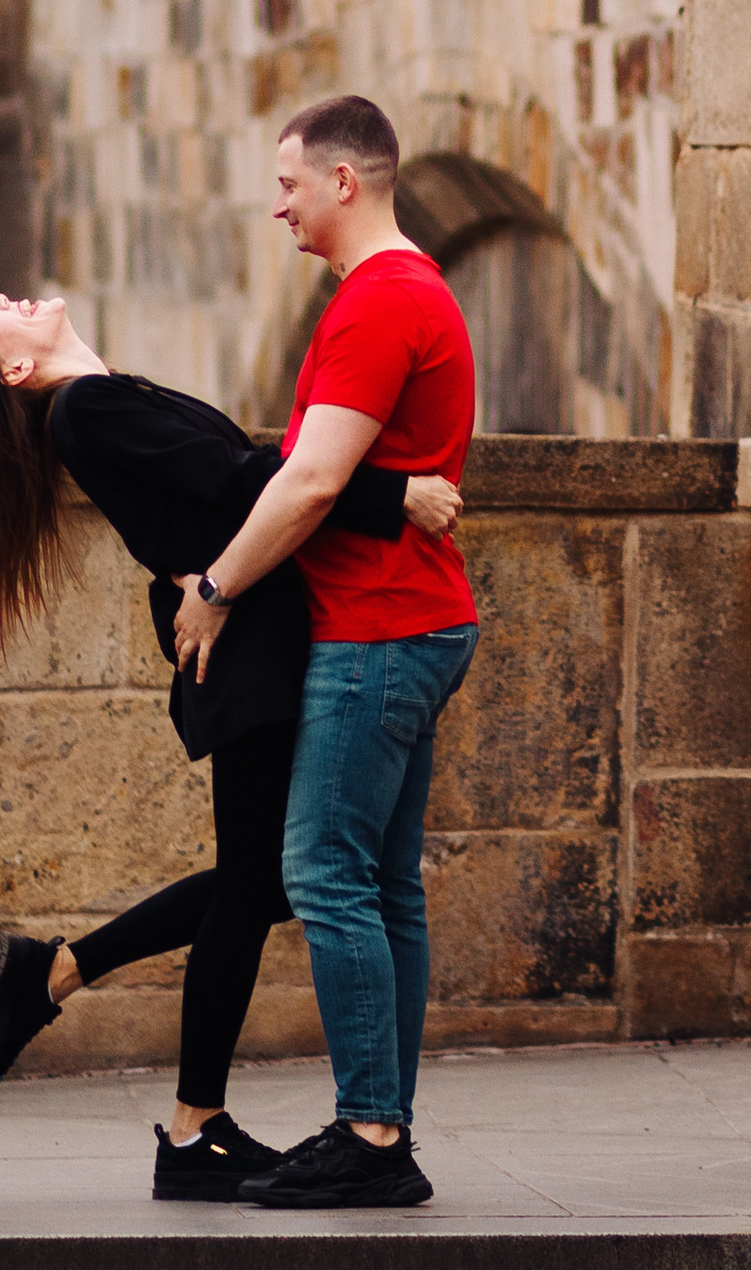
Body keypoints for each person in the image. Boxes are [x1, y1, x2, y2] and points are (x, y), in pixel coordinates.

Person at [0, 292, 463, 1201]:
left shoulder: (102, 398)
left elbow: (239, 475)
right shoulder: (86, 410)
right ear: (11, 370)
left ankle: (136, 1063)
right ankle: (150, 1079)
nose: (1, 303)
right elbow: (249, 477)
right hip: (248, 655)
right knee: (267, 882)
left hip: (253, 643)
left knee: (263, 882)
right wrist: (389, 495)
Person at [169, 96, 480, 1212]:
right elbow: (337, 477)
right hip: (416, 619)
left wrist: (212, 588)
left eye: (291, 184)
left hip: (379, 630)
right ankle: (379, 1123)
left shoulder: (375, 303)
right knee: (384, 885)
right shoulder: (413, 287)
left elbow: (308, 483)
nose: (279, 205)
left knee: (323, 875)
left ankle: (370, 1131)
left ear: (345, 182)